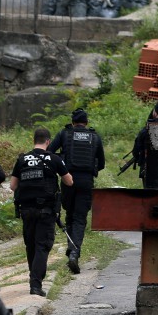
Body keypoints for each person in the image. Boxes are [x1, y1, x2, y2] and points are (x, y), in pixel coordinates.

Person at [9, 127, 73, 297]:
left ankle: (34, 278)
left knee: (31, 245)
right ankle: (35, 285)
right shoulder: (53, 158)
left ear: (33, 140)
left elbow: (13, 186)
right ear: (48, 141)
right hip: (46, 210)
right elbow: (69, 182)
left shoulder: (22, 159)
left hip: (26, 210)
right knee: (42, 245)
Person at [47, 109, 106, 275]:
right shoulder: (95, 137)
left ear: (73, 122)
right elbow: (101, 163)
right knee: (80, 218)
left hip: (68, 180)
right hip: (86, 182)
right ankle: (74, 253)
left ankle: (71, 249)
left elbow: (49, 153)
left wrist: (62, 162)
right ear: (86, 123)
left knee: (70, 215)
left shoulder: (65, 134)